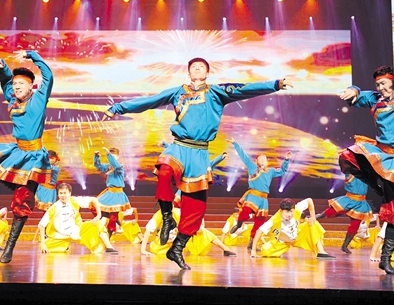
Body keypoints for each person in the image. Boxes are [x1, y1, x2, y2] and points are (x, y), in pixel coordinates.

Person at [103, 57, 292, 269]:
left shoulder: (216, 92)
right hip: (179, 146)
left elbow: (245, 89)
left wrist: (275, 84)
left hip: (200, 153)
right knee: (164, 171)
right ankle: (167, 218)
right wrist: (118, 108)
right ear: (189, 73)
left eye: (202, 66)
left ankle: (177, 249)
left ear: (207, 74)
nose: (198, 68)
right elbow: (150, 100)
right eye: (193, 66)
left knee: (196, 208)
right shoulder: (178, 92)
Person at [338, 37, 394, 275]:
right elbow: (359, 94)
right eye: (378, 85)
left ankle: (386, 258)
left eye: (384, 84)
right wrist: (351, 90)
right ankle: (381, 186)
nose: (381, 88)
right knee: (348, 155)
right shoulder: (375, 99)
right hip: (382, 156)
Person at [0, 50, 53, 263]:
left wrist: (34, 56)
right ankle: (25, 187)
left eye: (22, 84)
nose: (17, 87)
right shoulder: (13, 98)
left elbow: (48, 76)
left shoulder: (39, 98)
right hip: (17, 151)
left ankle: (9, 247)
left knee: (21, 201)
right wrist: (1, 65)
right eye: (15, 84)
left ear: (31, 86)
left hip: (34, 156)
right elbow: (5, 84)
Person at [227, 137, 291, 251]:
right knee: (245, 212)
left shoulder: (270, 171)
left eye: (264, 158)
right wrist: (235, 143)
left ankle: (252, 242)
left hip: (264, 199)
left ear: (266, 161)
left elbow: (282, 171)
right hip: (253, 196)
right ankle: (239, 224)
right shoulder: (252, 168)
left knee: (260, 222)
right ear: (256, 161)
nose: (262, 159)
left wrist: (286, 160)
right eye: (260, 158)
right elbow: (243, 156)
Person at [37, 183, 119, 254]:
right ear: (58, 194)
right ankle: (65, 246)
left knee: (97, 224)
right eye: (61, 193)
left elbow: (94, 199)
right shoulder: (54, 207)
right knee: (46, 249)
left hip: (78, 231)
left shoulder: (74, 200)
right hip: (61, 235)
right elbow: (41, 225)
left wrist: (98, 215)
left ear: (69, 193)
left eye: (65, 193)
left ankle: (109, 247)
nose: (63, 195)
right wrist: (43, 244)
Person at [250, 198, 335, 259]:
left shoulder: (297, 209)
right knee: (266, 253)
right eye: (287, 212)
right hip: (283, 242)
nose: (290, 214)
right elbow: (259, 231)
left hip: (298, 236)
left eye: (291, 211)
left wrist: (313, 217)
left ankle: (321, 252)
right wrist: (253, 250)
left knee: (314, 223)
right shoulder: (274, 220)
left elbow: (309, 201)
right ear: (281, 210)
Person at [315, 174, 373, 254]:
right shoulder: (351, 172)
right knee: (329, 212)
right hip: (349, 199)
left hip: (361, 203)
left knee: (354, 226)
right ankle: (312, 219)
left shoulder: (366, 173)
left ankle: (344, 246)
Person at [93, 147, 131, 236]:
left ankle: (108, 239)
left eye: (114, 157)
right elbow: (98, 166)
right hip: (109, 193)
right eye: (111, 156)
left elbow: (116, 165)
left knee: (113, 218)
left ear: (117, 157)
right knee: (94, 206)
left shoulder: (120, 167)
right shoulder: (108, 167)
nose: (112, 159)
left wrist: (109, 155)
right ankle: (113, 218)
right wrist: (96, 157)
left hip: (117, 194)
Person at [33, 150, 61, 242]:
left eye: (52, 158)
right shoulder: (44, 167)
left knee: (48, 213)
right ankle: (44, 234)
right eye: (49, 158)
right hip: (43, 189)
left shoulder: (56, 168)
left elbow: (49, 168)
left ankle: (46, 233)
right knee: (45, 213)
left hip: (50, 191)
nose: (50, 160)